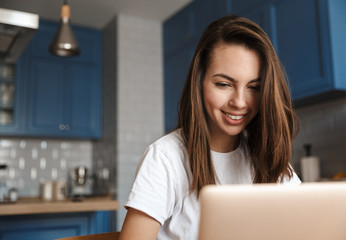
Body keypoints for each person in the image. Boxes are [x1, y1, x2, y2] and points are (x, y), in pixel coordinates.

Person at [119, 15, 301, 240]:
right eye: (224, 84)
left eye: (254, 87)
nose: (240, 102)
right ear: (199, 82)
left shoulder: (269, 158)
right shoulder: (165, 158)